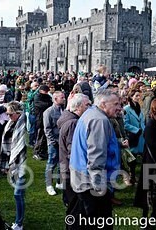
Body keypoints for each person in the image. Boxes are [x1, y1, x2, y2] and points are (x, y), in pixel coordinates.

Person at [69, 89, 121, 229]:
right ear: (103, 104)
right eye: (116, 104)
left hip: (83, 179)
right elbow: (96, 157)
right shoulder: (99, 120)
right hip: (92, 184)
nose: (119, 107)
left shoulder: (91, 113)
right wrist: (100, 189)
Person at [57, 93, 90, 224]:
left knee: (73, 206)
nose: (90, 107)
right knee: (75, 208)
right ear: (78, 106)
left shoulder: (69, 119)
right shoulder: (73, 123)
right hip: (72, 171)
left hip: (68, 169)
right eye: (87, 105)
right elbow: (73, 151)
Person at [2, 102, 28, 230]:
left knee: (18, 194)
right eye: (7, 114)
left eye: (10, 114)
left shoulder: (25, 123)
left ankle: (19, 223)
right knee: (19, 194)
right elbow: (6, 145)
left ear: (19, 113)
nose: (8, 117)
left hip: (23, 162)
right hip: (13, 162)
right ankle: (19, 221)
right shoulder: (10, 124)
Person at [43, 91, 65, 196]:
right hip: (53, 142)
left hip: (62, 142)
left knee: (62, 163)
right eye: (62, 97)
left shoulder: (63, 110)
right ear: (55, 99)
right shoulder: (48, 112)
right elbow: (47, 129)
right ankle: (49, 185)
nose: (64, 98)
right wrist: (52, 142)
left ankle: (59, 182)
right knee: (51, 163)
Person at [123, 89, 145, 186]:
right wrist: (136, 129)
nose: (138, 97)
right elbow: (125, 123)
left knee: (140, 156)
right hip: (133, 135)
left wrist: (143, 130)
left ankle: (138, 176)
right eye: (136, 95)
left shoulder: (139, 108)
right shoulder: (126, 109)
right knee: (132, 157)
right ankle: (131, 176)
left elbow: (142, 121)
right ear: (131, 97)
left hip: (141, 136)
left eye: (139, 96)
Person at [33, 85, 53, 160]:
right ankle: (36, 152)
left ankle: (43, 152)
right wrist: (49, 104)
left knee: (45, 137)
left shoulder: (46, 96)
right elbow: (43, 105)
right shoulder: (37, 97)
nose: (47, 92)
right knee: (40, 137)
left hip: (46, 119)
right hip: (40, 119)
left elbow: (51, 103)